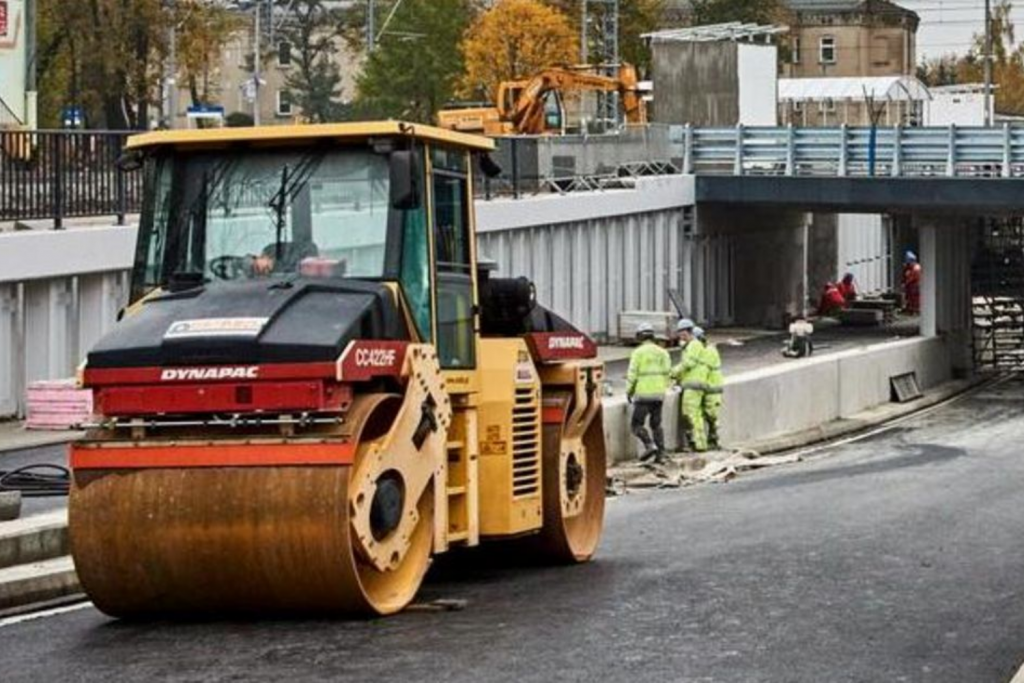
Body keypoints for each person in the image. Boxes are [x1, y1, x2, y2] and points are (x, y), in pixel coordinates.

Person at [626, 322, 672, 464]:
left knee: (636, 425)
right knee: (656, 424)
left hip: (643, 395)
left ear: (640, 336)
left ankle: (649, 445)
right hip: (658, 395)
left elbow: (632, 375)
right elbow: (667, 373)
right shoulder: (663, 352)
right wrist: (663, 388)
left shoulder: (638, 353)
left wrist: (629, 391)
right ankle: (661, 454)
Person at [671, 318, 708, 453]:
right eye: (679, 332)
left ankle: (698, 444)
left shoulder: (693, 345)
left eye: (682, 332)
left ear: (689, 331)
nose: (680, 335)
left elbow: (688, 364)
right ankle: (700, 443)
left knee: (690, 414)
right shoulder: (692, 345)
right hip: (694, 384)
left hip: (693, 384)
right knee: (695, 415)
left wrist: (672, 372)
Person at [695, 326, 724, 450]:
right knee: (708, 414)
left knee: (711, 414)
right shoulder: (709, 350)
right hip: (710, 386)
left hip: (711, 386)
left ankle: (714, 439)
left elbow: (700, 368)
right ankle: (712, 438)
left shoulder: (708, 351)